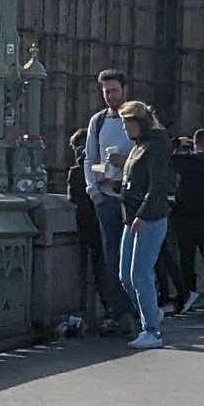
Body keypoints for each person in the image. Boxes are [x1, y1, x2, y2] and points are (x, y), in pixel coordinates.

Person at [115, 100, 175, 351]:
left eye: (126, 123)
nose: (124, 129)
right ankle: (151, 313)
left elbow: (158, 186)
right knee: (125, 276)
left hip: (149, 217)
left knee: (140, 274)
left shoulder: (157, 146)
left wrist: (142, 214)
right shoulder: (138, 147)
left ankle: (151, 329)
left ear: (138, 122)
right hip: (132, 217)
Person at [84, 70, 136, 325]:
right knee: (111, 256)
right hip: (106, 197)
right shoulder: (98, 121)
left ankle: (141, 308)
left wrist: (126, 161)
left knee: (135, 257)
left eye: (114, 90)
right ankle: (120, 313)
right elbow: (89, 158)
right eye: (106, 91)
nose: (110, 95)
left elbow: (151, 155)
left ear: (124, 89)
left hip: (132, 198)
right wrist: (93, 192)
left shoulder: (139, 117)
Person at [64, 125, 123, 333]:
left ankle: (112, 311)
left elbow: (73, 198)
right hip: (109, 222)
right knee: (113, 265)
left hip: (89, 225)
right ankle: (119, 311)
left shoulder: (77, 172)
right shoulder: (102, 170)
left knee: (101, 269)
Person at [169, 128, 204, 312]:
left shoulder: (188, 162)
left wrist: (177, 143)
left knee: (187, 259)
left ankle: (189, 293)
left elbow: (166, 157)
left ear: (195, 143)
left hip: (186, 217)